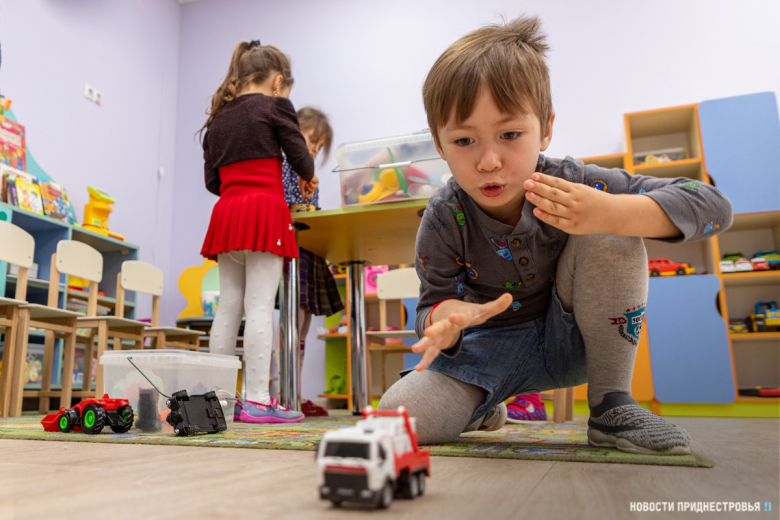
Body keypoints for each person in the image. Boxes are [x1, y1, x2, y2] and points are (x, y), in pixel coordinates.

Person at [378, 16, 733, 455]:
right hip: (488, 353)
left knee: (612, 227)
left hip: (579, 341)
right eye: (464, 141)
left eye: (510, 134)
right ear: (439, 143)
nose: (489, 161)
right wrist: (446, 320)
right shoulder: (442, 217)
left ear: (545, 129)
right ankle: (482, 406)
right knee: (397, 416)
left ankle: (611, 405)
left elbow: (714, 207)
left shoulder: (573, 180)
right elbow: (433, 303)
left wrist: (611, 211)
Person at [200, 40, 314, 423]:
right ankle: (258, 400)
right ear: (278, 82)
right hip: (265, 209)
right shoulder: (275, 106)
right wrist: (303, 172)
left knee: (229, 305)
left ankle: (218, 402)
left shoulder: (218, 118)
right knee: (260, 305)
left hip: (227, 212)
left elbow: (212, 182)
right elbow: (303, 161)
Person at [280, 106, 344, 417]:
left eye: (319, 146)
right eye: (311, 140)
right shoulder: (284, 165)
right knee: (292, 323)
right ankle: (285, 392)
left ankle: (294, 391)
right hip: (292, 250)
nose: (315, 149)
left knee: (303, 325)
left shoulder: (308, 175)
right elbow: (289, 208)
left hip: (307, 250)